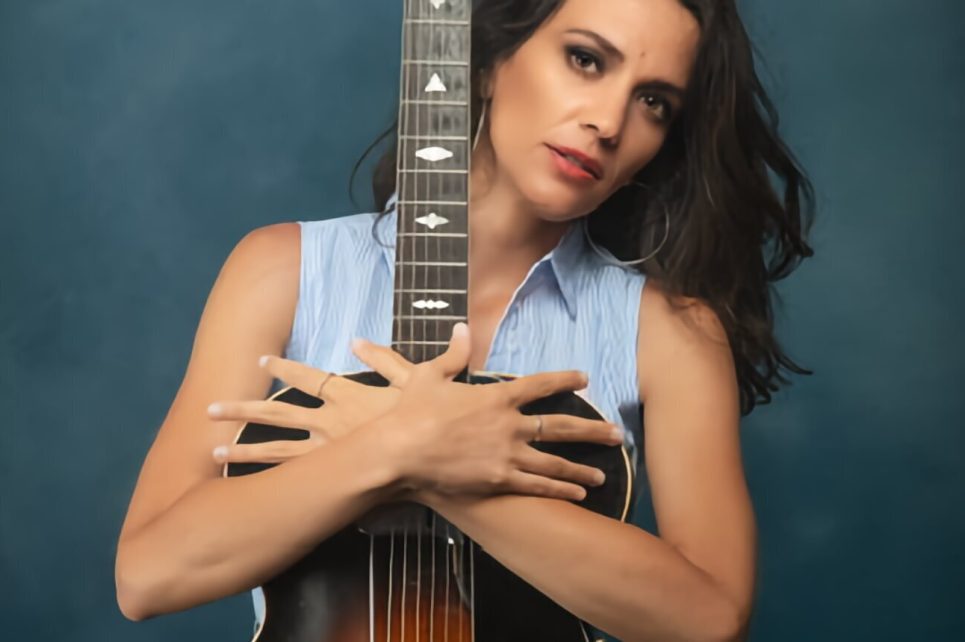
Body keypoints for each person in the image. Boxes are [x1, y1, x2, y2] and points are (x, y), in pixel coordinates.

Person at [115, 0, 814, 640]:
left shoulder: (668, 331)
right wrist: (395, 449)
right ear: (486, 64)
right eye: (585, 60)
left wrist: (441, 471)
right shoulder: (281, 270)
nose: (608, 121)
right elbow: (148, 576)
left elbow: (708, 619)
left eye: (654, 102)